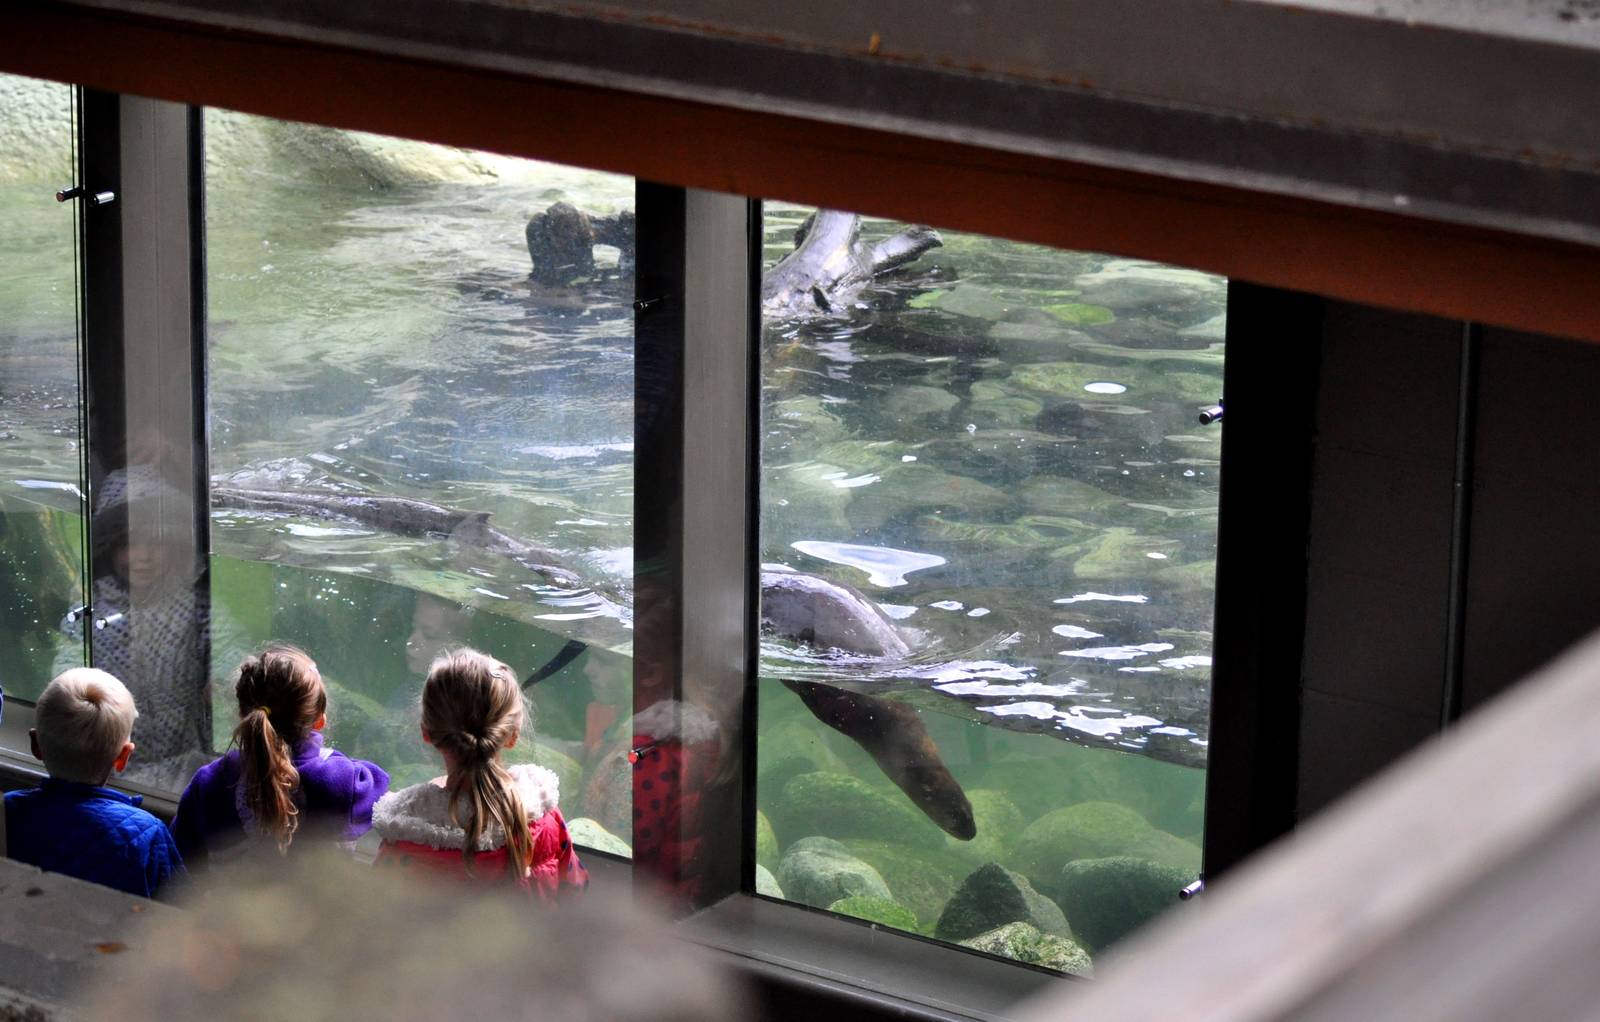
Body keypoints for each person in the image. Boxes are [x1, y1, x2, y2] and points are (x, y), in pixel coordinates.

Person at [372, 648, 587, 896]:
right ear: (512, 735)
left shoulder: (404, 836)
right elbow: (576, 889)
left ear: (426, 732)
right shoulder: (546, 820)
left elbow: (378, 908)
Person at [170, 646, 389, 871]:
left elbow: (180, 857)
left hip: (230, 895)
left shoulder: (210, 782)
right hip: (317, 896)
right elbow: (382, 786)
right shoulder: (344, 781)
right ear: (319, 720)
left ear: (243, 715)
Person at [3, 668, 185, 898]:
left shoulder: (6, 812)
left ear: (35, 744)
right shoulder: (148, 834)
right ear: (123, 757)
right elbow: (181, 909)